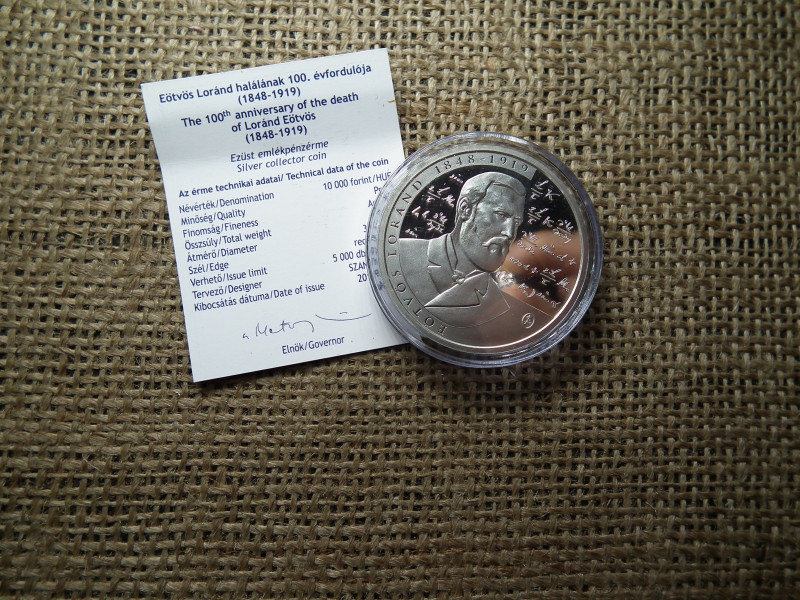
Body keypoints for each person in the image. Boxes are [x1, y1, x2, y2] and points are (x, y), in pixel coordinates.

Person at [398, 171, 528, 328]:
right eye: (501, 215)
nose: (510, 233)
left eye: (516, 222)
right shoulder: (402, 254)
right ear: (466, 209)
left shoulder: (505, 305)